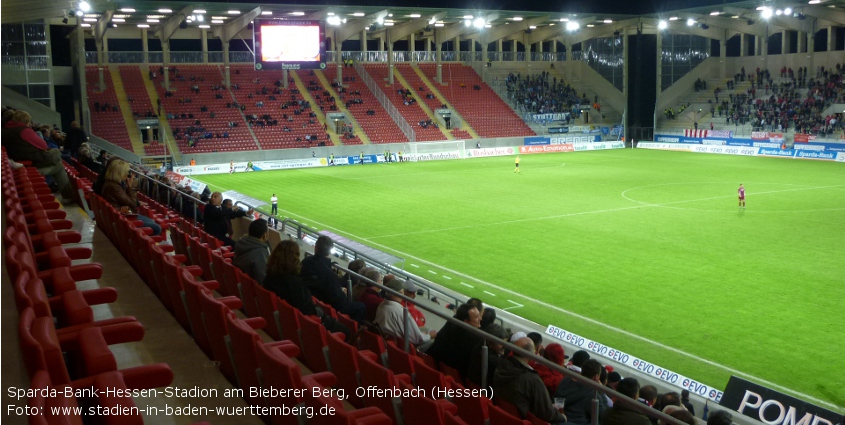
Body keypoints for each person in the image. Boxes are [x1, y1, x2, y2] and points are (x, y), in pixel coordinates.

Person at [263, 240, 352, 341]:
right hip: (306, 323)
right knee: (346, 331)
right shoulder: (294, 282)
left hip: (288, 320)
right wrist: (320, 313)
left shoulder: (270, 276)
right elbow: (308, 309)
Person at [1, 110, 74, 201]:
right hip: (32, 162)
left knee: (59, 164)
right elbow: (43, 145)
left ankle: (68, 195)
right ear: (26, 121)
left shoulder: (4, 131)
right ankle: (69, 196)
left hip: (20, 160)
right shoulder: (23, 130)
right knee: (56, 153)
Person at [492, 337, 567, 424]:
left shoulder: (502, 365)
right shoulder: (531, 379)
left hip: (502, 417)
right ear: (530, 354)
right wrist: (562, 417)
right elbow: (547, 413)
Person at [300, 235, 365, 322]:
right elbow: (340, 302)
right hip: (324, 303)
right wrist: (342, 292)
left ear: (316, 248)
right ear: (329, 251)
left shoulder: (306, 261)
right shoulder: (329, 274)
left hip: (312, 299)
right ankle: (354, 329)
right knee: (361, 306)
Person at [100, 159, 161, 236]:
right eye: (125, 173)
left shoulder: (112, 184)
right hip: (123, 218)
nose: (127, 175)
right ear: (119, 173)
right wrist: (130, 187)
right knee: (156, 227)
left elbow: (129, 202)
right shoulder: (114, 187)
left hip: (122, 214)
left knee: (152, 221)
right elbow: (132, 203)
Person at [375, 277, 436, 351]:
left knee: (423, 329)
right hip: (401, 347)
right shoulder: (401, 312)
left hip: (390, 342)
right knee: (434, 341)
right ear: (399, 293)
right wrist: (429, 336)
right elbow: (418, 339)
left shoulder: (381, 305)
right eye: (402, 291)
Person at [425, 303, 483, 378]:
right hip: (448, 375)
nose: (480, 319)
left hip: (435, 366)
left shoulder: (451, 323)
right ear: (466, 321)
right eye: (476, 317)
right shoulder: (475, 338)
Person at [553, 359, 607, 425]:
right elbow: (604, 416)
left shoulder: (566, 379)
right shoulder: (593, 394)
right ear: (596, 377)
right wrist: (601, 392)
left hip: (557, 419)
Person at [233, 219, 271, 284]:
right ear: (265, 235)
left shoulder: (241, 242)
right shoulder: (260, 253)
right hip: (250, 287)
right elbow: (262, 279)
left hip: (240, 282)